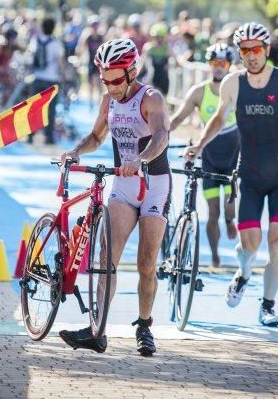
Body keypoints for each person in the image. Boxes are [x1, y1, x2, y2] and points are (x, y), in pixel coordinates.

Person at [185, 22, 278, 326]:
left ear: (267, 50)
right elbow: (218, 120)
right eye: (244, 51)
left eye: (256, 49)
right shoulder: (233, 83)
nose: (251, 56)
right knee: (250, 244)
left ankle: (268, 305)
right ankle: (243, 273)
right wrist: (200, 146)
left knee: (277, 239)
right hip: (249, 173)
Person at [58, 38, 170, 356]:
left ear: (132, 71)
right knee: (107, 259)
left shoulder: (151, 97)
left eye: (116, 79)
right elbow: (96, 136)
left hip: (154, 184)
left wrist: (141, 160)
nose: (110, 86)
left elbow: (162, 134)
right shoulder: (109, 101)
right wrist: (75, 151)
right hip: (124, 188)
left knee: (146, 263)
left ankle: (144, 325)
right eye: (104, 79)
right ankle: (98, 330)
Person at [169, 44, 239, 268]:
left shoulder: (237, 89)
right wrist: (157, 136)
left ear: (229, 65)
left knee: (228, 209)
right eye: (215, 64)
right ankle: (216, 256)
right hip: (209, 156)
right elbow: (177, 118)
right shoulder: (199, 91)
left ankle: (230, 220)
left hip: (232, 158)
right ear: (209, 66)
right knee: (212, 211)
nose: (219, 68)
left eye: (224, 64)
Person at [28, 17, 64, 144]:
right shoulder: (56, 43)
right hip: (52, 79)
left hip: (37, 77)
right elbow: (60, 62)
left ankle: (31, 135)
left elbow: (31, 57)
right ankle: (48, 136)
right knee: (51, 109)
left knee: (34, 109)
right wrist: (63, 75)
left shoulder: (35, 40)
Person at [77, 15, 104, 107]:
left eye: (96, 25)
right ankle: (91, 102)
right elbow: (80, 48)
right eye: (93, 25)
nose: (95, 27)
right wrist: (79, 60)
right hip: (90, 62)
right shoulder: (88, 37)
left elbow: (105, 49)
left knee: (100, 83)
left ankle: (100, 101)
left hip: (100, 63)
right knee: (90, 83)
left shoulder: (101, 37)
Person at [142, 25, 170, 96]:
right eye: (156, 37)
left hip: (163, 78)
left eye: (161, 37)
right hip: (150, 77)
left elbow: (171, 60)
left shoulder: (166, 49)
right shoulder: (148, 48)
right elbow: (143, 63)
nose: (158, 40)